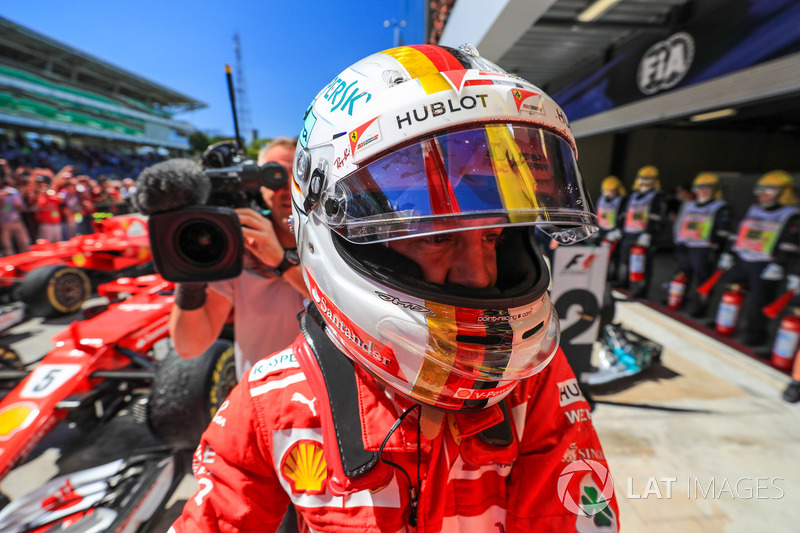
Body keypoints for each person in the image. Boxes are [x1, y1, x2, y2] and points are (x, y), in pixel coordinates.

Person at [171, 44, 618, 532]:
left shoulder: (536, 383)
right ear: (336, 231)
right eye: (438, 236)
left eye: (493, 236)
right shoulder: (269, 403)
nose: (480, 275)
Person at [168, 137, 309, 380]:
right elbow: (189, 347)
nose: (288, 187)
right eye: (275, 176)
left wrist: (282, 262)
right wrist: (192, 271)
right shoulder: (240, 252)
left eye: (298, 173)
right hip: (264, 399)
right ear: (259, 186)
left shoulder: (338, 242)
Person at [716, 170, 800, 346]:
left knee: (759, 303)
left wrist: (780, 264)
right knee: (733, 293)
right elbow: (739, 233)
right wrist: (729, 253)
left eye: (770, 189)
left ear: (784, 192)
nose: (763, 193)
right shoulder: (753, 208)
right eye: (761, 188)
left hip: (765, 265)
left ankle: (756, 334)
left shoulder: (790, 214)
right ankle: (726, 324)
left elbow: (790, 242)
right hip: (743, 259)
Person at [670, 172, 732, 316]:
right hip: (685, 245)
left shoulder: (721, 207)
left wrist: (721, 251)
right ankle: (679, 300)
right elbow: (680, 223)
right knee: (681, 276)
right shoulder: (688, 204)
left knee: (703, 280)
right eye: (699, 187)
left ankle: (701, 307)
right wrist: (678, 242)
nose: (703, 190)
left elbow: (724, 232)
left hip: (703, 249)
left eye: (707, 187)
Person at [615, 165, 666, 297]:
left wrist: (648, 233)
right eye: (643, 178)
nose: (645, 181)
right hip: (629, 233)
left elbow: (656, 217)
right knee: (625, 260)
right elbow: (625, 215)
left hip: (644, 235)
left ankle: (642, 290)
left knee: (643, 264)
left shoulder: (657, 196)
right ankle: (624, 283)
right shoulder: (633, 195)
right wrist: (619, 230)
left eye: (649, 179)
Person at [593, 175, 627, 281]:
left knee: (614, 257)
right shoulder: (601, 199)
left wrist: (619, 230)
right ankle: (601, 276)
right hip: (602, 231)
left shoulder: (622, 201)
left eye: (613, 191)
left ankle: (612, 277)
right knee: (601, 256)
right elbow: (597, 214)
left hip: (614, 233)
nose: (610, 193)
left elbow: (624, 217)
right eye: (608, 190)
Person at [0, 177, 31, 256]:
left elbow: (22, 207)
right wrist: (3, 198)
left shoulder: (12, 191)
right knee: (7, 245)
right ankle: (11, 265)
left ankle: (27, 260)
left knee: (24, 242)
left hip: (17, 221)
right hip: (4, 223)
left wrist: (18, 204)